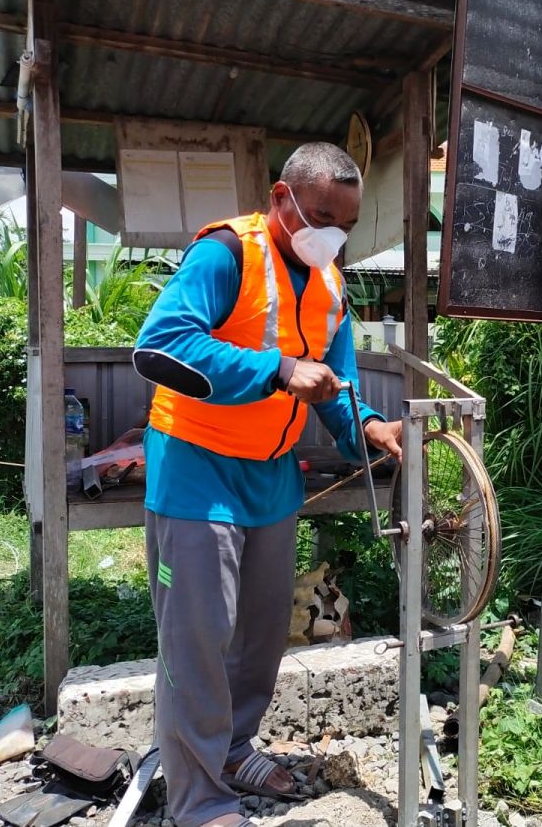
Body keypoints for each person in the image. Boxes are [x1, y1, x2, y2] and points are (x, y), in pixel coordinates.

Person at [132, 143, 403, 827]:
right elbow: (161, 343)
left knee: (257, 637)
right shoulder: (225, 254)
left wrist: (368, 429)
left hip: (272, 479)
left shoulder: (331, 284)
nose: (331, 234)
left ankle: (230, 750)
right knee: (198, 641)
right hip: (198, 470)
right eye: (319, 215)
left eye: (344, 223)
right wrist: (278, 369)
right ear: (281, 198)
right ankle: (199, 803)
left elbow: (336, 385)